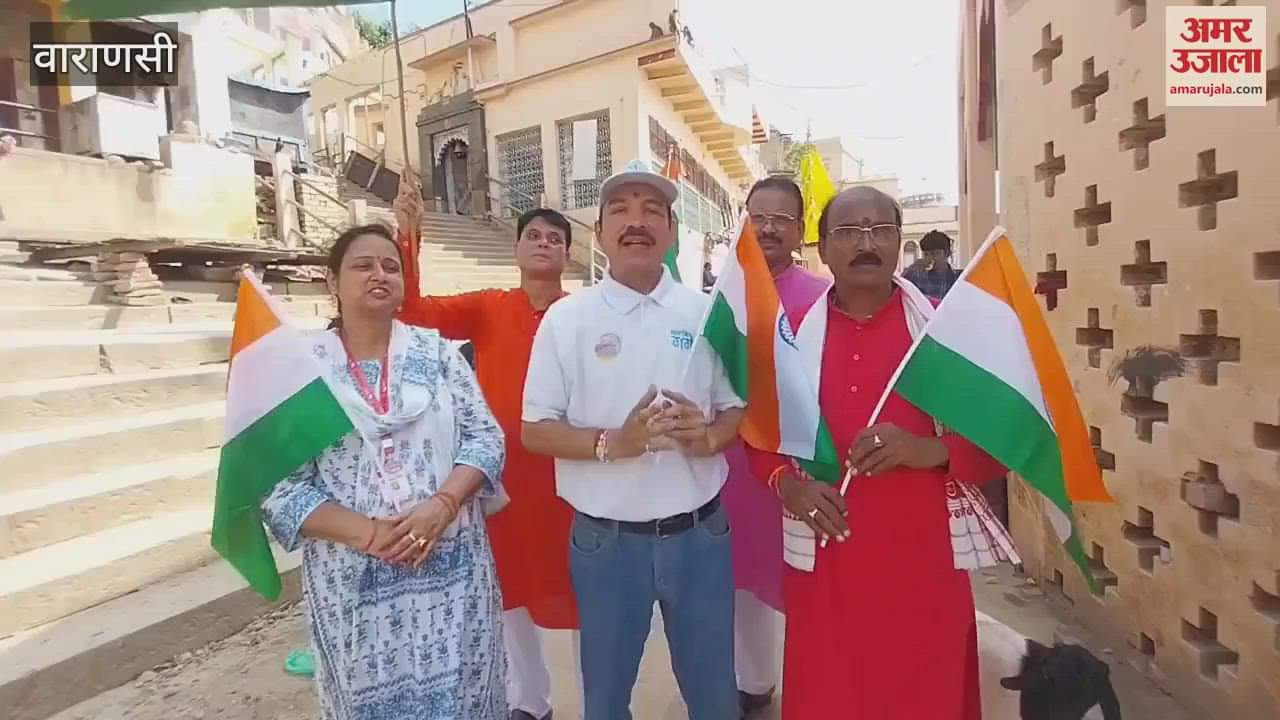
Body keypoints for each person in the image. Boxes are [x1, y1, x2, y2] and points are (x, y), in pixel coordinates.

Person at [746, 187, 1004, 719]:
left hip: (923, 566)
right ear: (823, 249)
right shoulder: (789, 337)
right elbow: (759, 439)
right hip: (828, 566)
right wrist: (789, 486)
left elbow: (1000, 444)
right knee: (830, 696)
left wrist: (925, 449)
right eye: (848, 232)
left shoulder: (942, 333)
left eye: (880, 230)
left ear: (897, 241)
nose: (867, 244)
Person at [521, 160, 745, 720]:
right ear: (599, 234)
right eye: (620, 210)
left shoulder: (707, 314)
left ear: (671, 232)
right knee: (605, 699)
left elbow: (735, 410)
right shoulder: (566, 320)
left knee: (716, 694)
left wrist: (708, 437)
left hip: (701, 538)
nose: (636, 222)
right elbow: (534, 430)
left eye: (651, 211)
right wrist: (614, 442)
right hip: (606, 545)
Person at [261, 223, 508, 720]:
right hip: (354, 579)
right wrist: (370, 534)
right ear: (332, 282)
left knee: (463, 696)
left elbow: (487, 438)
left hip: (453, 566)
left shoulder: (438, 355)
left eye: (391, 266)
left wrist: (443, 505)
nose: (380, 274)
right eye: (363, 264)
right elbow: (277, 488)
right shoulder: (299, 370)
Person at [395, 181, 579, 720]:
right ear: (518, 249)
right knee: (511, 595)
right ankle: (530, 702)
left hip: (571, 480)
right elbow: (414, 313)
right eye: (534, 236)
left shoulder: (584, 315)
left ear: (567, 254)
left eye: (554, 238)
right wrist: (409, 237)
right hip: (501, 485)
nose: (543, 243)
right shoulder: (490, 308)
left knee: (583, 599)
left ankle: (600, 704)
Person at [722, 176, 830, 715]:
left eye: (780, 218)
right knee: (744, 582)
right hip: (735, 467)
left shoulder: (822, 299)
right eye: (756, 215)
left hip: (801, 470)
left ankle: (820, 686)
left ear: (800, 228)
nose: (766, 227)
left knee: (808, 582)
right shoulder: (724, 292)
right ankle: (756, 682)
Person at [903, 229, 961, 299]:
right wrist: (909, 271)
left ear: (947, 253)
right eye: (926, 254)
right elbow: (898, 292)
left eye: (935, 253)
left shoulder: (958, 279)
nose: (930, 258)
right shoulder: (915, 277)